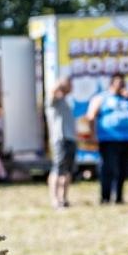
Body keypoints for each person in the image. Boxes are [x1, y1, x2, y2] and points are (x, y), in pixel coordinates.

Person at [85, 73, 128, 204]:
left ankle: (119, 197)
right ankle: (105, 197)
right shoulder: (102, 98)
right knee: (108, 168)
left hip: (127, 139)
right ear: (112, 84)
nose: (121, 86)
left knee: (123, 169)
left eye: (123, 84)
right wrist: (93, 134)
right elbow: (91, 116)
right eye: (118, 83)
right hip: (108, 139)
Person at [47, 77, 76, 209]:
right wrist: (61, 83)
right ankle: (54, 200)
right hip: (60, 138)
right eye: (69, 84)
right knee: (58, 169)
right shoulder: (54, 100)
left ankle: (63, 198)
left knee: (67, 171)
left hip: (70, 139)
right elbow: (53, 91)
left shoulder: (67, 101)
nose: (72, 87)